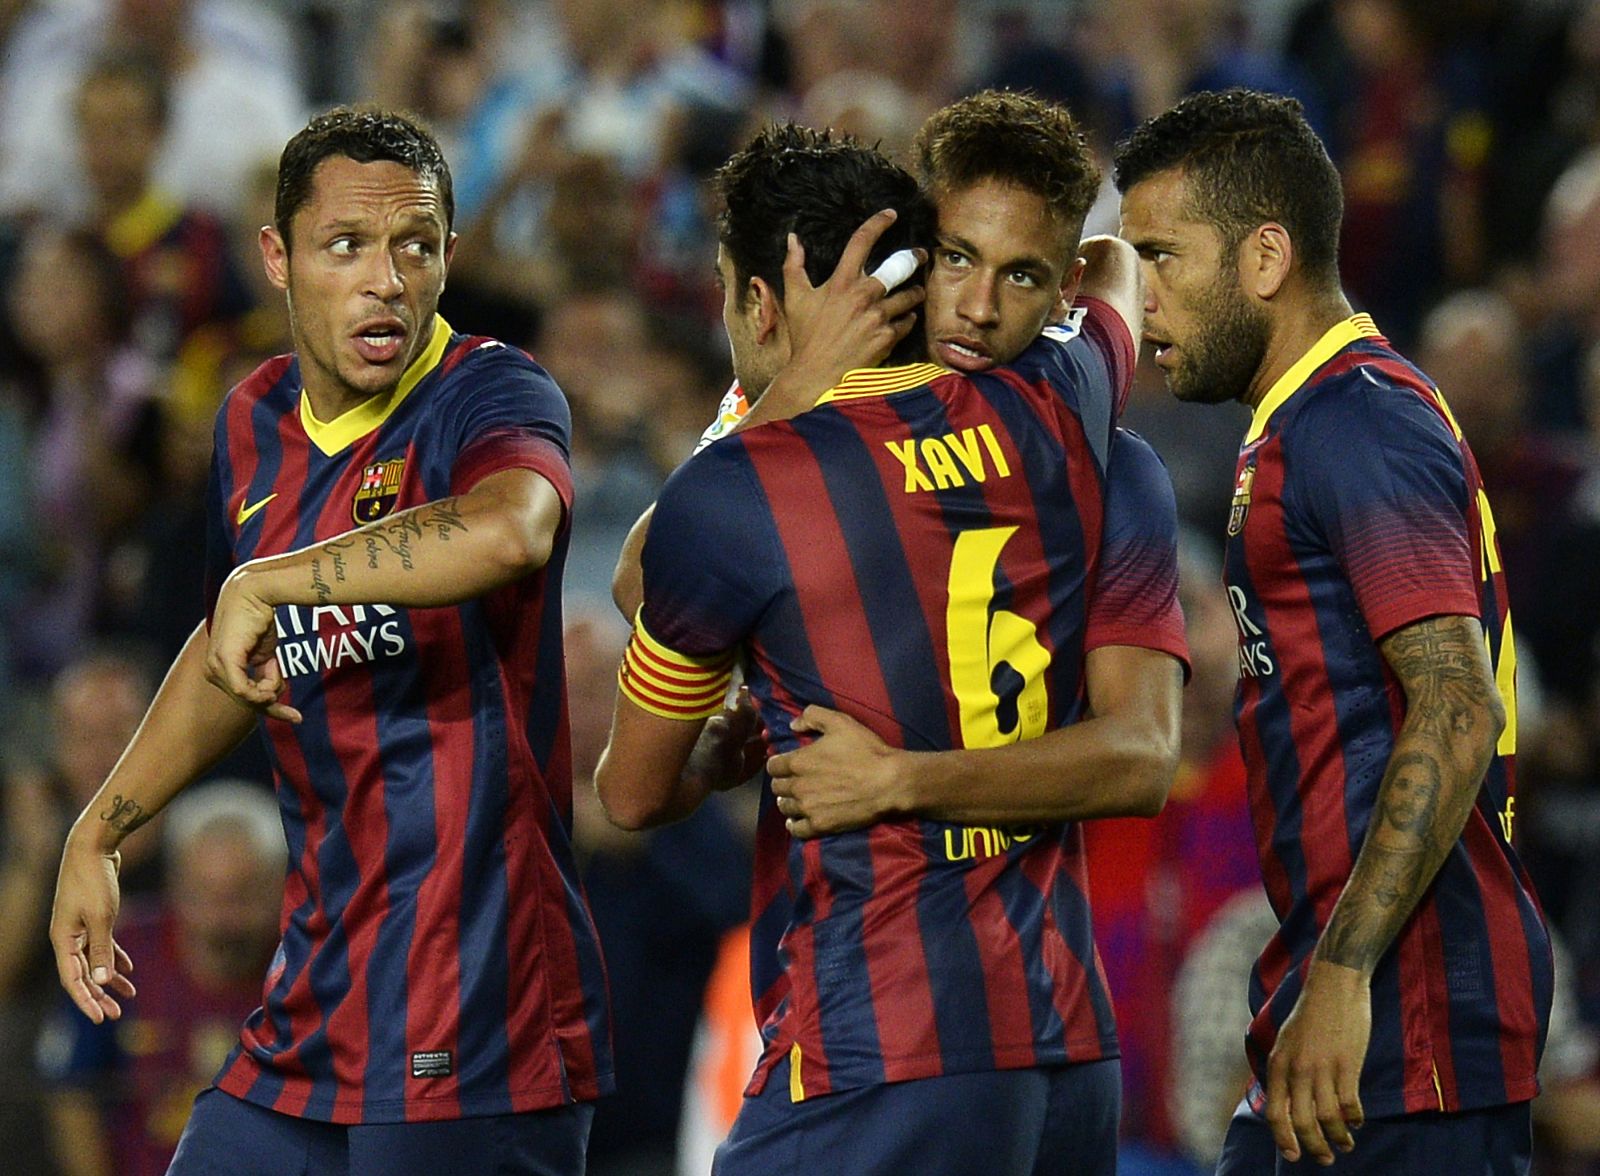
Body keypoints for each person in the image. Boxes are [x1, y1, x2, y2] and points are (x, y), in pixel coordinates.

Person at [594, 116, 1186, 1174]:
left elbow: (631, 784)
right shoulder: (1072, 405)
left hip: (881, 1041)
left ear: (757, 303)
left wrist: (775, 398)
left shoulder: (741, 493)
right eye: (955, 259)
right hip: (1065, 1051)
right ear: (916, 267)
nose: (979, 301)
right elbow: (1111, 275)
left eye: (1015, 275)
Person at [47, 106, 609, 1176]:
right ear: (278, 258)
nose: (386, 278)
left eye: (417, 246)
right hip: (319, 989)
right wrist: (102, 830)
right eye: (346, 245)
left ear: (447, 258)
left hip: (477, 992)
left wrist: (283, 577)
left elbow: (513, 529)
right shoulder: (253, 418)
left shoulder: (489, 392)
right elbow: (235, 638)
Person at [1112, 87, 1552, 1173]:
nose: (1140, 299)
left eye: (1162, 257)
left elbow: (1455, 704)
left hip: (1409, 1020)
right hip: (1361, 1003)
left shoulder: (1357, 421)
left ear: (1265, 258)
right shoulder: (1308, 423)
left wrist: (1345, 976)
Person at [39, 780, 284, 1176]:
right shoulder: (117, 954)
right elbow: (72, 1093)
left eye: (242, 897)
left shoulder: (308, 967)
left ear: (281, 890)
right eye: (204, 894)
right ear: (174, 884)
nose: (220, 921)